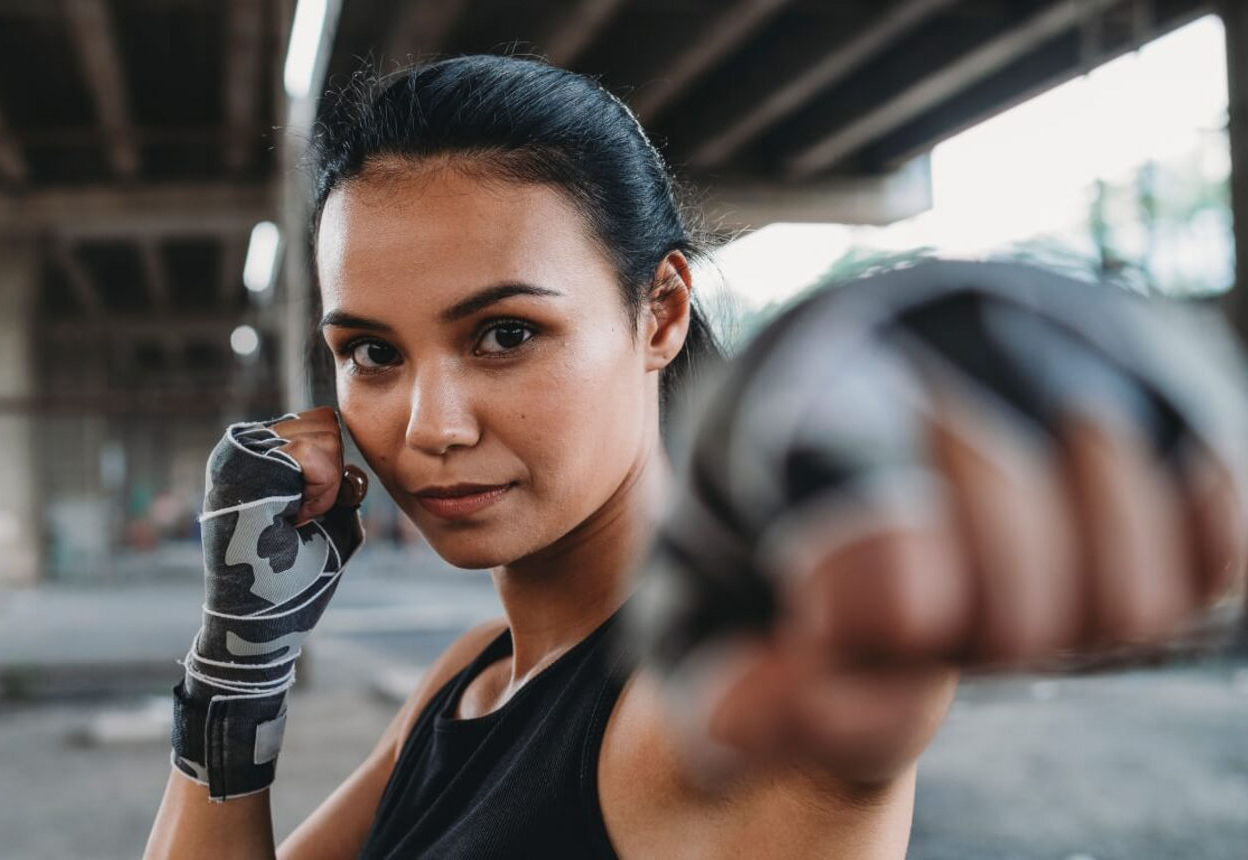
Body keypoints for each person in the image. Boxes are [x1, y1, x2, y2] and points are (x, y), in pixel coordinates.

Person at [144, 55, 1247, 859]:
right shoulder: (471, 677)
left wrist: (944, 382)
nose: (431, 424)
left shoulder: (689, 710)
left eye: (506, 334)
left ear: (660, 311)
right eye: (371, 350)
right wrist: (237, 665)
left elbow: (820, 682)